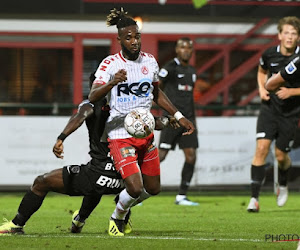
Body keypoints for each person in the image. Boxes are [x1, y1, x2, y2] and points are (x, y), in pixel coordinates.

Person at [0, 73, 179, 235]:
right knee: (129, 187)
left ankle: (16, 225)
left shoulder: (92, 104)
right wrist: (167, 120)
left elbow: (80, 116)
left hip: (100, 173)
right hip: (125, 177)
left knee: (42, 182)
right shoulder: (127, 104)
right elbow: (146, 123)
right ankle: (96, 216)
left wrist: (61, 137)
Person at [88, 7, 195, 236]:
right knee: (135, 188)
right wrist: (112, 83)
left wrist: (178, 116)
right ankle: (117, 217)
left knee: (153, 189)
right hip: (119, 135)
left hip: (145, 133)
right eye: (128, 38)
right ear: (119, 40)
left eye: (137, 36)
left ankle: (123, 201)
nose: (134, 41)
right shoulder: (110, 64)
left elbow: (156, 94)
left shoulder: (150, 62)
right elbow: (93, 96)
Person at [247, 16, 300, 212]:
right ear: (279, 35)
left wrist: (292, 92)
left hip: (291, 112)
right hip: (269, 109)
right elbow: (261, 72)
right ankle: (254, 199)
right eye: (286, 33)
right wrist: (261, 89)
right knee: (261, 149)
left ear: (298, 37)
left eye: (294, 34)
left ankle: (283, 184)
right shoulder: (269, 54)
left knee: (280, 156)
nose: (289, 37)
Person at [158, 37, 199, 206]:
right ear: (177, 49)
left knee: (191, 157)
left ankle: (181, 195)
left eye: (189, 48)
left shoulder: (192, 71)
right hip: (173, 120)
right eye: (182, 47)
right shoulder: (169, 68)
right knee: (160, 156)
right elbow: (156, 88)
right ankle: (136, 188)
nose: (186, 50)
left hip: (188, 120)